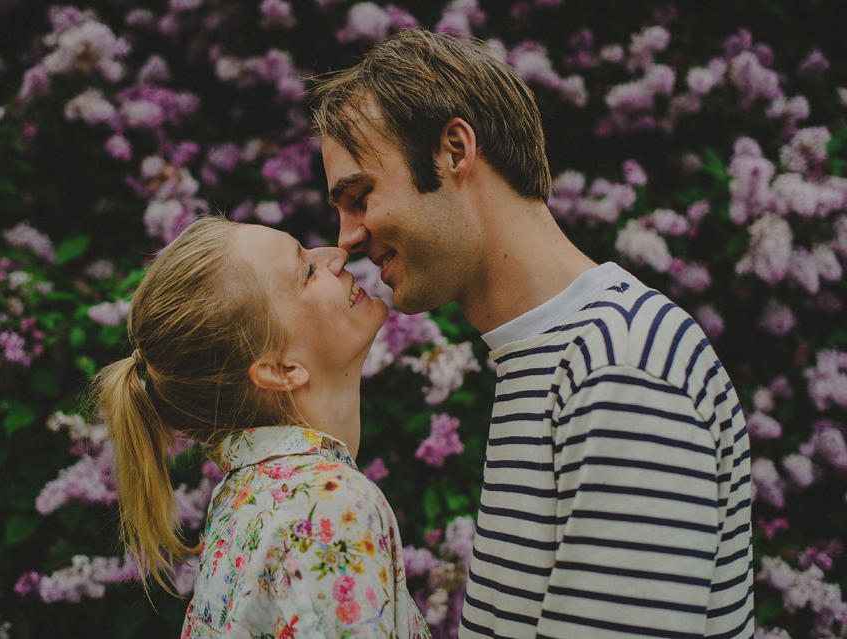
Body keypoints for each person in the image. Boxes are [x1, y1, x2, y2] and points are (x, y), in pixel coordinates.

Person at [312, 29, 753, 639]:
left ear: (455, 150)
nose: (347, 238)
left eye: (359, 196)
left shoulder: (618, 365)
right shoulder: (546, 355)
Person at [93, 216, 430, 638]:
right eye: (307, 271)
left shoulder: (243, 499)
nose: (338, 254)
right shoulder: (328, 506)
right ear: (280, 369)